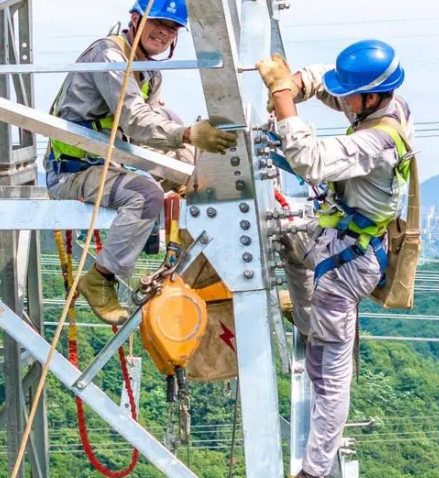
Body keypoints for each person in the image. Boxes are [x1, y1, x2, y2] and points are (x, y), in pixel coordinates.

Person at [256, 40, 415, 478]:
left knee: (327, 370)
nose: (342, 102)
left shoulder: (379, 140)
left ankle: (315, 468)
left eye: (351, 96)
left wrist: (284, 98)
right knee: (288, 242)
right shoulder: (382, 104)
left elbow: (310, 161)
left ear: (371, 96)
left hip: (349, 262)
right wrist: (296, 83)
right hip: (335, 237)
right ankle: (306, 317)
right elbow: (328, 81)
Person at [44, 0, 237, 326]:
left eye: (172, 28)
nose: (163, 32)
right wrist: (188, 134)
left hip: (109, 161)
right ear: (135, 19)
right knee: (145, 194)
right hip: (73, 171)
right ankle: (101, 277)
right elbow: (134, 120)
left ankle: (205, 258)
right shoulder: (109, 56)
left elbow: (149, 129)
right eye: (157, 22)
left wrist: (186, 157)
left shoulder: (150, 72)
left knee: (188, 161)